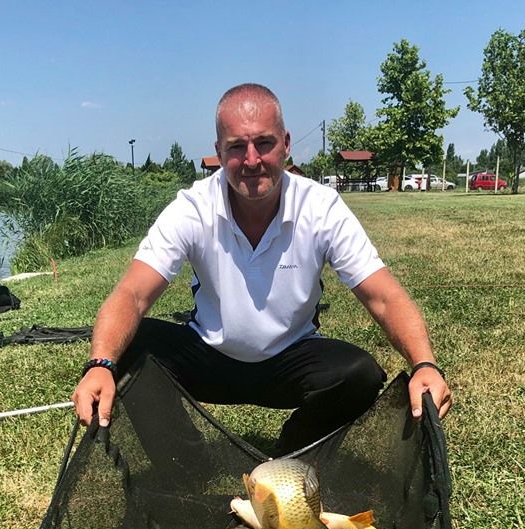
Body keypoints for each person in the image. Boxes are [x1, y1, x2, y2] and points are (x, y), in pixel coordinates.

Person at [72, 83, 451, 452]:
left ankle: (292, 456)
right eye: (236, 147)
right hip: (208, 354)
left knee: (360, 375)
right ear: (219, 151)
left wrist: (424, 364)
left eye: (264, 143)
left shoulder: (321, 208)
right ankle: (186, 462)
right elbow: (132, 294)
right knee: (129, 344)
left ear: (286, 144)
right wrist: (100, 363)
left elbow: (384, 297)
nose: (251, 161)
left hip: (290, 358)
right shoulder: (192, 208)